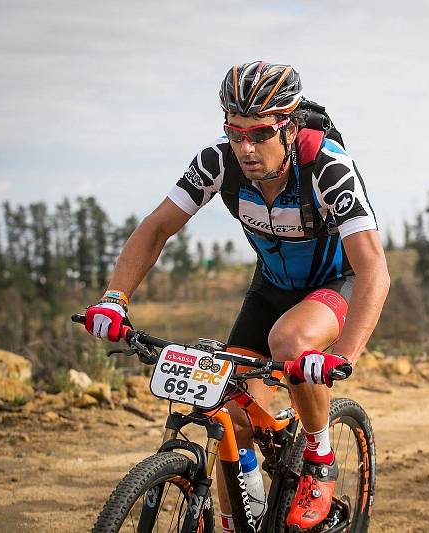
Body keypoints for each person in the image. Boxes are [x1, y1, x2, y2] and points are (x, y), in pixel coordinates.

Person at [82, 61, 390, 531]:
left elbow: (374, 270)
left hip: (335, 284)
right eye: (235, 131)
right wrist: (114, 298)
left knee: (290, 340)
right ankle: (239, 521)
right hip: (270, 287)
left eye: (261, 133)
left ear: (289, 126)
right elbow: (157, 228)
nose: (245, 147)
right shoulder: (217, 162)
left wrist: (343, 355)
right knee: (229, 412)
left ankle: (320, 456)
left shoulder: (327, 168)